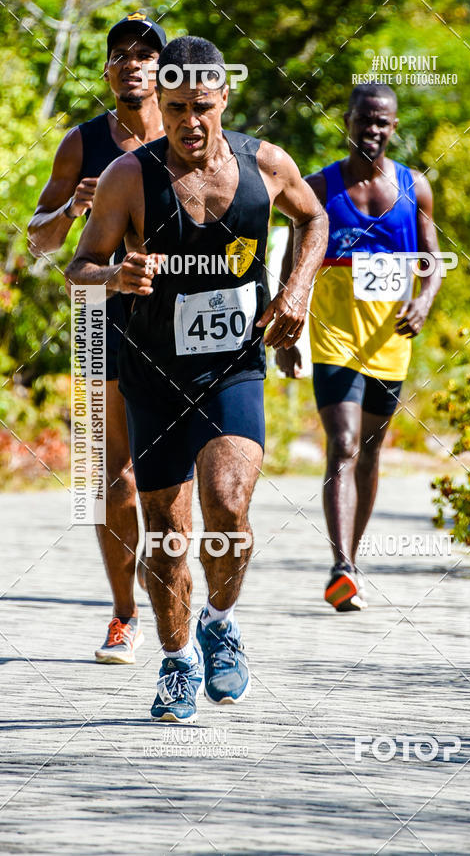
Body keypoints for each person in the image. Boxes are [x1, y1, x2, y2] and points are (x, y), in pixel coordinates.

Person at [66, 36, 327, 721]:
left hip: (232, 368)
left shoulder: (266, 164)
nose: (189, 121)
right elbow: (78, 268)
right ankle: (178, 659)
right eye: (176, 107)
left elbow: (314, 217)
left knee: (229, 505)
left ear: (224, 99)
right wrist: (115, 275)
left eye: (201, 107)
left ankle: (220, 620)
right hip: (152, 373)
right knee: (167, 531)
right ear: (161, 102)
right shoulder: (129, 176)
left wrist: (297, 291)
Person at [27, 13, 167, 664]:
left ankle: (181, 590)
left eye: (146, 55)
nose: (133, 64)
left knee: (177, 472)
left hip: (176, 319)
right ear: (108, 71)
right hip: (100, 316)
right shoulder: (81, 144)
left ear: (164, 71)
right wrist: (72, 208)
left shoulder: (188, 132)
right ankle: (124, 615)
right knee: (115, 477)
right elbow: (40, 241)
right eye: (122, 55)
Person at [277, 83, 442, 612]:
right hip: (334, 338)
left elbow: (432, 261)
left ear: (394, 127)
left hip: (391, 341)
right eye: (364, 119)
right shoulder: (319, 187)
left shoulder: (415, 187)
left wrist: (424, 300)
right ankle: (341, 566)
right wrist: (286, 333)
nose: (372, 129)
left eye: (382, 122)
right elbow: (293, 261)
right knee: (344, 443)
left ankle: (353, 560)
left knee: (369, 452)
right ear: (347, 120)